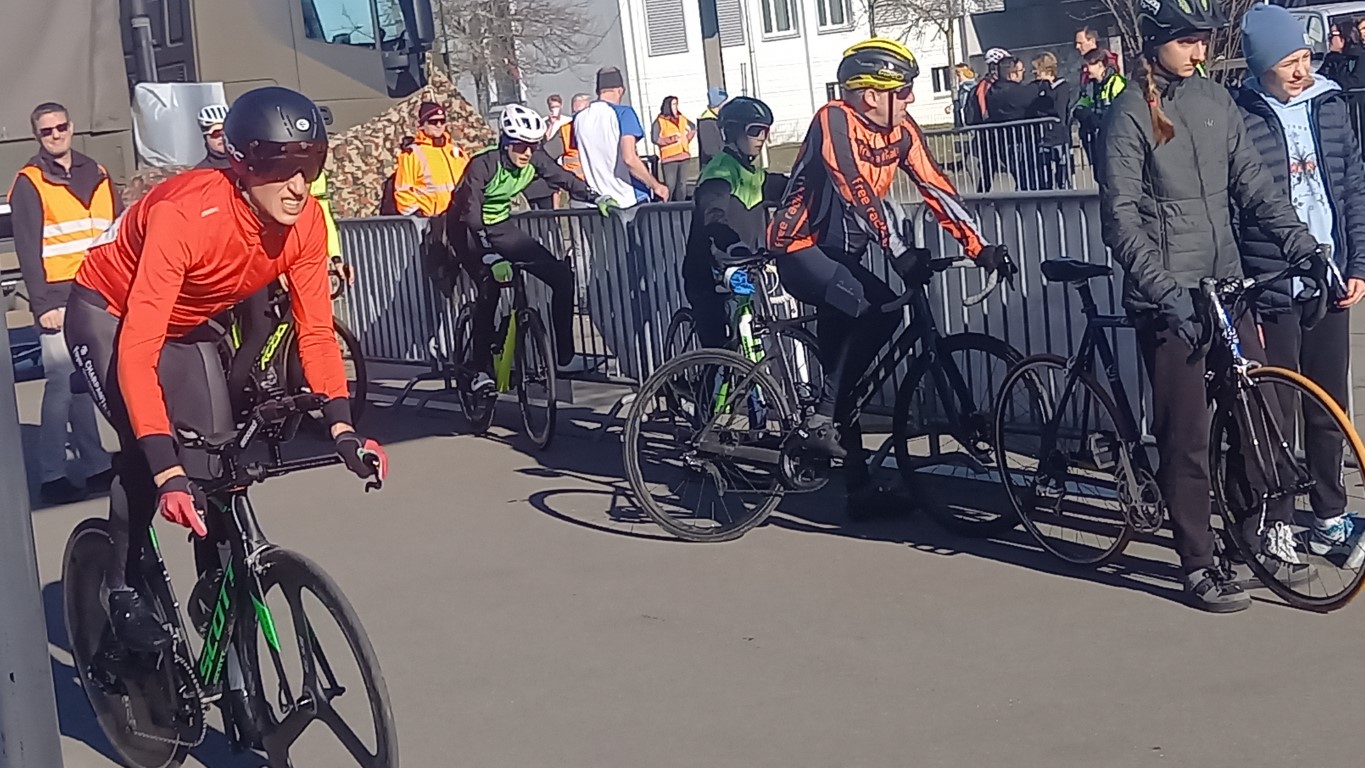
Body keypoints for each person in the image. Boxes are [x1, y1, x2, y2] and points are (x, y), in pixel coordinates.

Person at [65, 86, 387, 650]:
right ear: (241, 165)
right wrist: (167, 470)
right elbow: (137, 351)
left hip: (184, 322)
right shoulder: (184, 215)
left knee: (217, 450)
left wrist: (341, 428)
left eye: (310, 166)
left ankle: (213, 577)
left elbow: (314, 330)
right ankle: (119, 589)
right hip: (110, 315)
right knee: (150, 450)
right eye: (279, 167)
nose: (297, 186)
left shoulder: (306, 222)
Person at [1099, 0, 1321, 612]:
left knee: (1254, 419)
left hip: (1225, 288)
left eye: (1204, 41)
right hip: (1169, 299)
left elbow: (1255, 185)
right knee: (1188, 437)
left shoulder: (1215, 102)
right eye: (1188, 42)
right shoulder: (1127, 115)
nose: (1200, 53)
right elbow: (1120, 221)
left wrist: (1303, 245)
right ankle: (1196, 562)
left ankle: (1246, 541)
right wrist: (1166, 291)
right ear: (1157, 45)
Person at [768, 38, 1012, 516]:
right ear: (868, 93)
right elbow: (854, 188)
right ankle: (823, 417)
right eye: (903, 91)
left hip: (845, 252)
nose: (911, 100)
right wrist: (898, 252)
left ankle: (856, 487)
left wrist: (979, 246)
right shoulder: (833, 119)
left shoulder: (900, 130)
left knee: (850, 365)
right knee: (876, 311)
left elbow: (935, 186)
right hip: (799, 248)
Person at [1234, 2, 1365, 566]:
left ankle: (1330, 514)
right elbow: (1234, 201)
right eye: (1288, 60)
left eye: (1305, 57)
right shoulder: (1240, 112)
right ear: (1262, 63)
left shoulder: (1330, 105)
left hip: (1329, 276)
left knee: (1330, 403)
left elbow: (1354, 187)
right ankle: (1277, 518)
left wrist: (1359, 262)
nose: (1299, 70)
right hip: (1271, 280)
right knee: (1276, 407)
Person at [446, 104, 618, 390]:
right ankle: (478, 370)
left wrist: (596, 197)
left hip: (498, 226)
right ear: (505, 143)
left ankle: (564, 357)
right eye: (520, 146)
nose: (527, 152)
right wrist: (489, 255)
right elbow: (471, 214)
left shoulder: (534, 159)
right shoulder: (482, 165)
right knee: (489, 285)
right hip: (465, 229)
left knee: (562, 278)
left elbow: (564, 178)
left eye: (532, 146)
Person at [7, 101, 115, 505]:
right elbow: (28, 251)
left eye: (60, 127)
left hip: (97, 293)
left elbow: (115, 233)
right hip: (56, 298)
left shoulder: (98, 173)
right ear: (37, 137)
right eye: (46, 131)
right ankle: (52, 471)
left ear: (71, 128)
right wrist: (41, 305)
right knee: (60, 384)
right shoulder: (29, 183)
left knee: (86, 382)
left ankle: (95, 464)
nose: (55, 135)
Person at [682, 97, 787, 350]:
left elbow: (789, 188)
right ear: (732, 132)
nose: (762, 137)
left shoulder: (754, 175)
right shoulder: (719, 171)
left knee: (749, 340)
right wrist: (732, 245)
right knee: (720, 351)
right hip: (707, 274)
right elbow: (712, 214)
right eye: (755, 130)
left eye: (766, 130)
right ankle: (706, 389)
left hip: (742, 269)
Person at [573, 66, 668, 207]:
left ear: (598, 91)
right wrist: (655, 185)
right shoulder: (624, 113)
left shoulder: (579, 119)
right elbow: (629, 158)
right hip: (627, 198)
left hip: (598, 202)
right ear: (620, 90)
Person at [394, 101, 469, 216]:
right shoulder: (412, 154)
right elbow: (403, 192)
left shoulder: (457, 152)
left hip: (460, 218)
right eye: (433, 122)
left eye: (442, 121)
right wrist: (418, 214)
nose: (439, 125)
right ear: (423, 125)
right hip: (431, 221)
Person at [1075, 48, 1127, 175]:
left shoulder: (1116, 82)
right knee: (1100, 175)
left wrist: (1097, 117)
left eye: (1087, 66)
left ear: (1099, 65)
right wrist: (1083, 113)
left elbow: (1121, 110)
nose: (1085, 70)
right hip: (1096, 138)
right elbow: (1080, 106)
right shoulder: (1089, 86)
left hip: (1114, 139)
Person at [1028, 52, 1076, 190]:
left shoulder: (1062, 86)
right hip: (1042, 136)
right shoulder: (1037, 86)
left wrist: (1043, 105)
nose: (1033, 72)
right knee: (1044, 173)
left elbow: (1058, 109)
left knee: (1062, 170)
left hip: (1059, 135)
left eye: (1036, 68)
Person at [986, 56, 1035, 190]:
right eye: (1020, 70)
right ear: (1011, 74)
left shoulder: (991, 91)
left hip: (1003, 141)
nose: (1024, 73)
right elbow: (1032, 97)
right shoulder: (1015, 92)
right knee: (1027, 179)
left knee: (1020, 176)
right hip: (1019, 140)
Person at [652, 96, 696, 200]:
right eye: (673, 104)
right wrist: (671, 140)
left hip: (684, 156)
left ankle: (681, 207)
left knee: (682, 185)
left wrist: (687, 139)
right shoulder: (660, 121)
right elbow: (655, 139)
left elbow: (693, 128)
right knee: (670, 186)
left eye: (676, 104)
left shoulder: (681, 118)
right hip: (669, 159)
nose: (676, 107)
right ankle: (668, 207)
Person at [1319, 17, 1365, 90]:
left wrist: (1331, 84)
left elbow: (1356, 83)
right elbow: (1319, 77)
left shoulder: (1361, 57)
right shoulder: (1332, 58)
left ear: (1344, 37)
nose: (1329, 39)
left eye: (1332, 35)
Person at [696, 87, 728, 168]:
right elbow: (710, 150)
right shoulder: (706, 122)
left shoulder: (719, 118)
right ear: (718, 104)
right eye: (724, 103)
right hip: (713, 168)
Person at [194, 104, 231, 170]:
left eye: (226, 132)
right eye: (216, 133)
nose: (222, 137)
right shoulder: (200, 172)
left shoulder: (248, 166)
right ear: (206, 137)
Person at [952, 64, 977, 128]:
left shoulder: (972, 87)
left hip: (973, 120)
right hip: (966, 120)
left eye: (958, 75)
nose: (957, 78)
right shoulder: (962, 89)